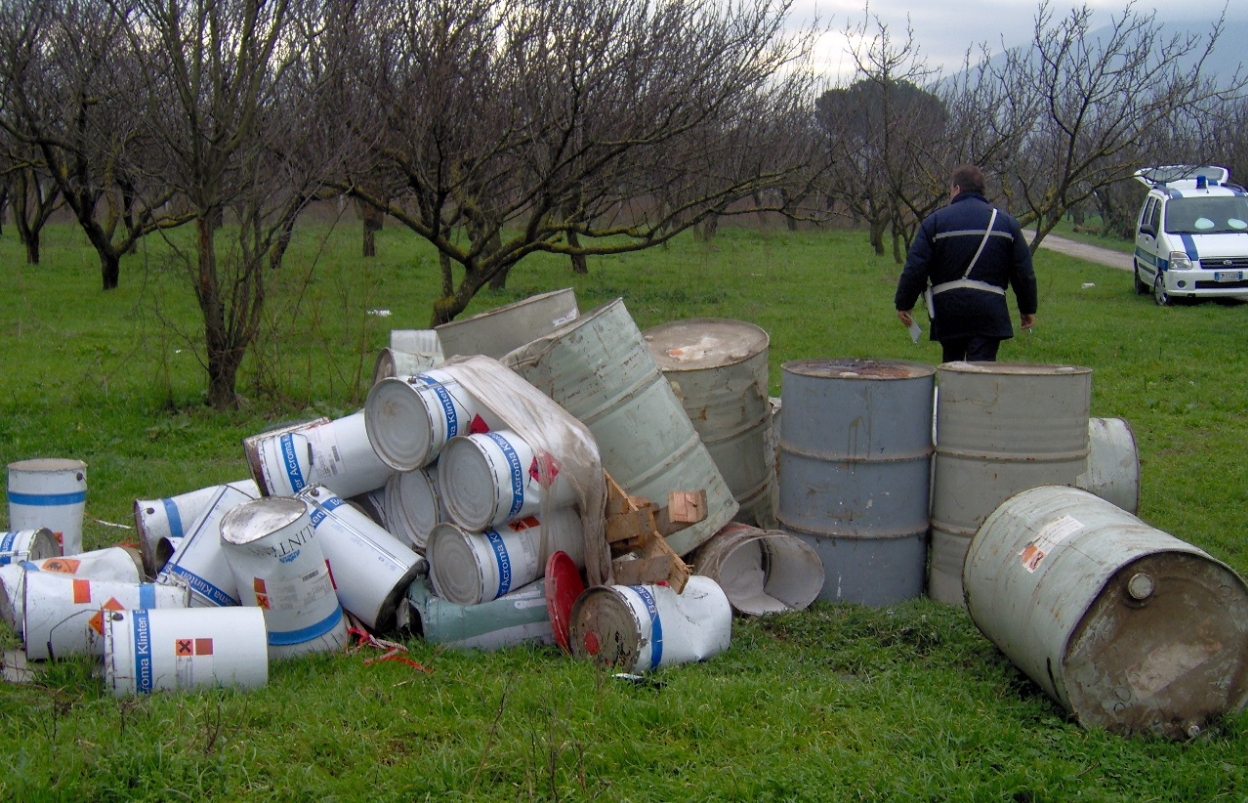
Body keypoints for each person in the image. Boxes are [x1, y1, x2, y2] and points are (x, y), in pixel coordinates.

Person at [895, 164, 1037, 362]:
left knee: (952, 368)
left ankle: (953, 392)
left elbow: (916, 268)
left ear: (957, 189)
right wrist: (1027, 308)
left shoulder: (934, 222)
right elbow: (1023, 271)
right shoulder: (1006, 223)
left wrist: (904, 304)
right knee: (981, 374)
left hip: (948, 311)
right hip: (989, 312)